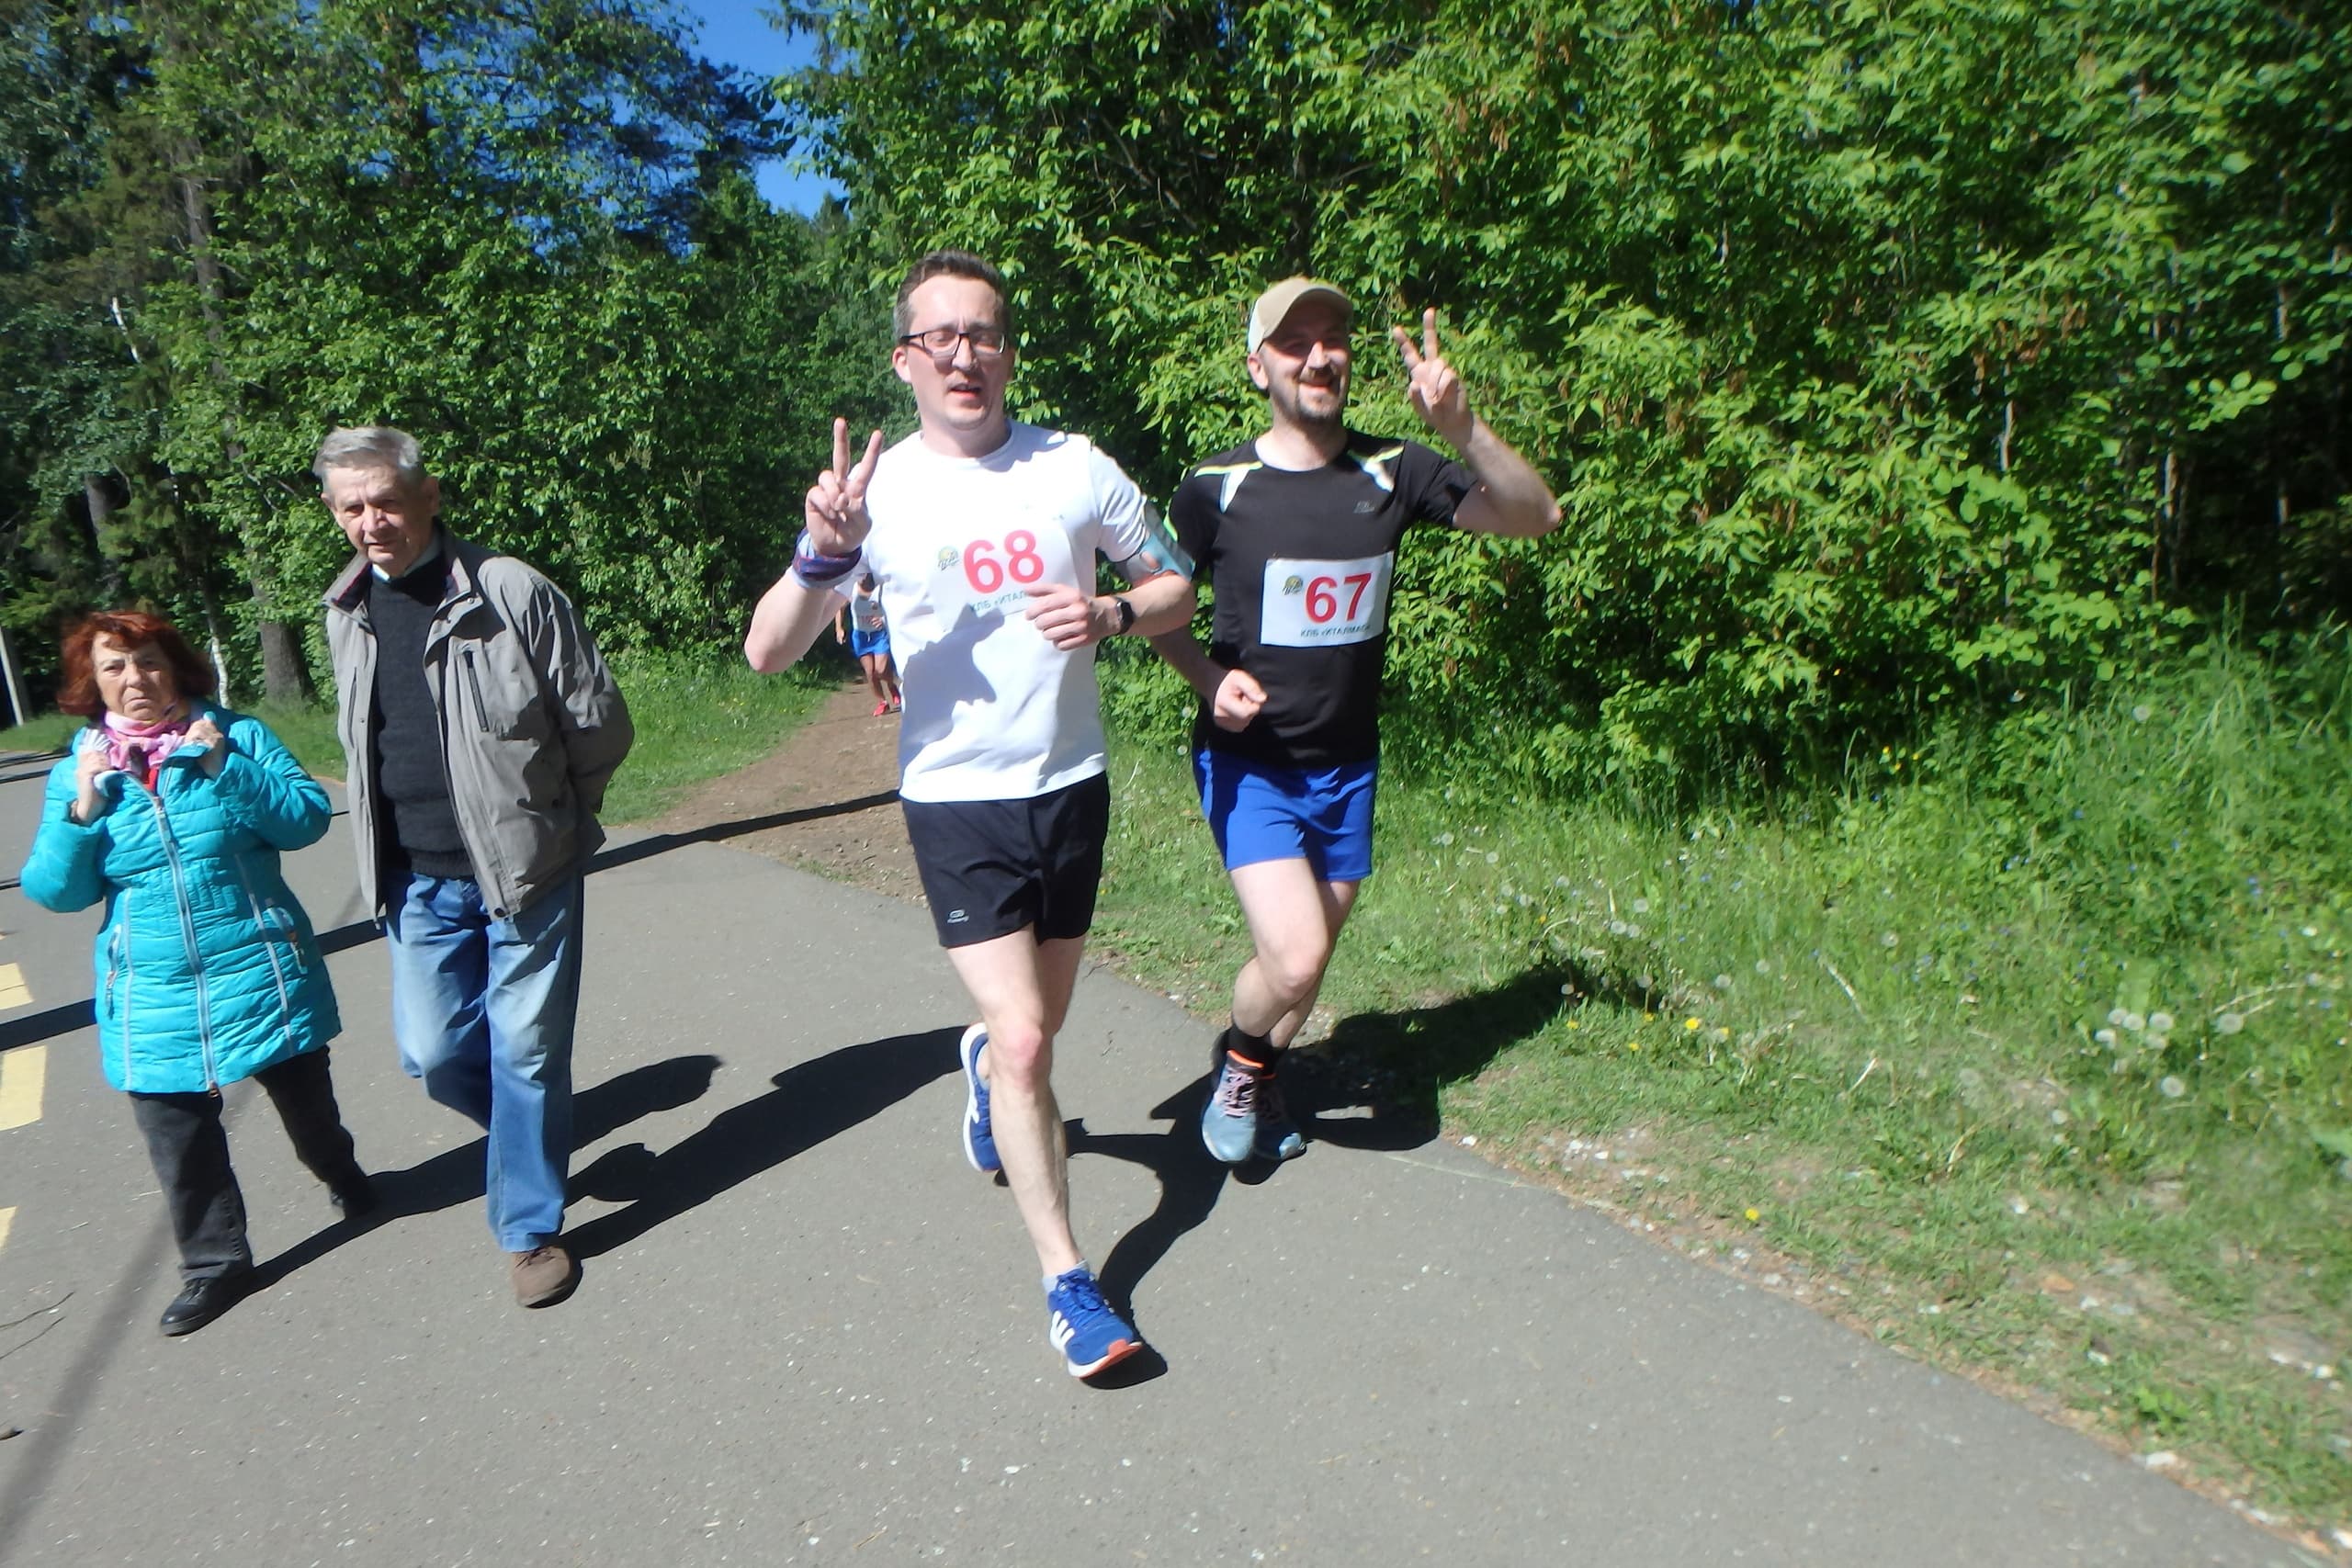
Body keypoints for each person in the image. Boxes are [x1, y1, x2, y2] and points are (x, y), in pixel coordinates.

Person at [744, 249, 1195, 1379]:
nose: (964, 354)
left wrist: (1110, 612)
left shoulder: (1075, 467)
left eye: (982, 333)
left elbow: (1177, 584)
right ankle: (1070, 1285)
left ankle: (984, 1067)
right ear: (904, 361)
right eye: (939, 337)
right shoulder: (871, 499)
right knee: (1032, 1043)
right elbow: (766, 650)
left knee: (1028, 1038)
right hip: (954, 801)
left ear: (1006, 352)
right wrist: (824, 556)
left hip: (1069, 787)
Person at [1151, 278, 1561, 1165]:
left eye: (1332, 337)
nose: (1319, 355)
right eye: (1295, 341)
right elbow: (1160, 607)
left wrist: (1462, 429)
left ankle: (1256, 1063)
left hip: (1348, 765)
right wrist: (1202, 676)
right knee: (1294, 961)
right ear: (1257, 365)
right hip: (1249, 760)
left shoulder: (1396, 469)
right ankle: (1239, 1062)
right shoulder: (1214, 487)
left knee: (1309, 964)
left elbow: (1537, 515)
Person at [317, 425, 633, 1309]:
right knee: (433, 1049)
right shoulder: (345, 610)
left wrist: (556, 817)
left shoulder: (509, 590)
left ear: (429, 496)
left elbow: (598, 723)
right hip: (414, 876)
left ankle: (530, 1230)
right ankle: (530, 1136)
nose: (372, 520)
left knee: (527, 1050)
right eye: (352, 506)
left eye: (385, 499)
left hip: (529, 869)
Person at [19, 611, 370, 1337]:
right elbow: (55, 891)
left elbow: (306, 820)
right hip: (150, 990)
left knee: (312, 1117)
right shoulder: (76, 772)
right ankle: (215, 1266)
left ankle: (341, 1172)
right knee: (179, 1143)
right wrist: (81, 810)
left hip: (259, 966)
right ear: (94, 682)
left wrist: (223, 766)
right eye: (114, 667)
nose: (134, 680)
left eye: (146, 661)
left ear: (174, 667)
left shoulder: (235, 736)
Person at [833, 572, 902, 715]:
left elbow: (894, 607)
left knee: (881, 670)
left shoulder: (880, 588)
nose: (863, 577)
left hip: (879, 634)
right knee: (870, 672)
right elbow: (839, 607)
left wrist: (883, 619)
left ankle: (891, 685)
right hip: (861, 635)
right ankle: (882, 702)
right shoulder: (852, 589)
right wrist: (839, 628)